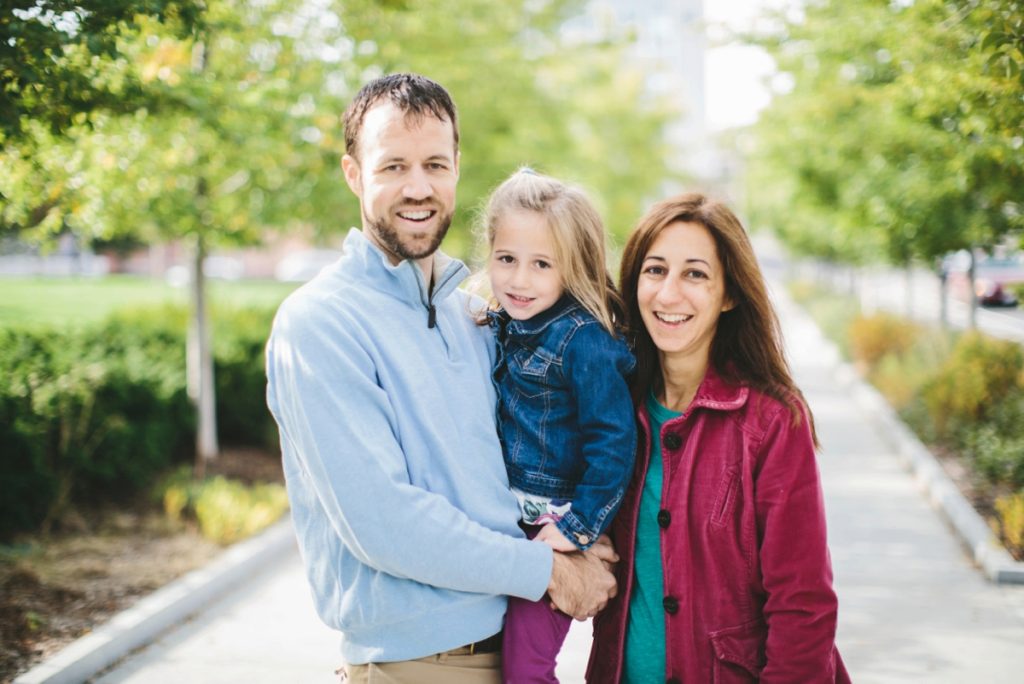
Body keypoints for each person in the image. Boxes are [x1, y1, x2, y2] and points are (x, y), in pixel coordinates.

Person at [264, 73, 617, 684]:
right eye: (393, 166)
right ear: (354, 174)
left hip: (510, 648)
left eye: (433, 163)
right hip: (418, 666)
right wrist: (554, 572)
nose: (418, 187)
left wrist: (581, 532)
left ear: (457, 166)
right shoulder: (320, 323)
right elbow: (386, 525)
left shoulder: (476, 316)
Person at [587, 193, 851, 683]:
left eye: (695, 274)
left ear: (729, 294)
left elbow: (803, 604)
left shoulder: (772, 422)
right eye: (655, 270)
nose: (669, 294)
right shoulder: (612, 410)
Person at [479, 169, 637, 683]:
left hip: (562, 527)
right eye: (506, 259)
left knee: (527, 669)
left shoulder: (583, 342)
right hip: (509, 522)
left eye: (541, 264)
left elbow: (613, 445)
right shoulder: (502, 322)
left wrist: (577, 528)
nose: (519, 280)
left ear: (572, 268)